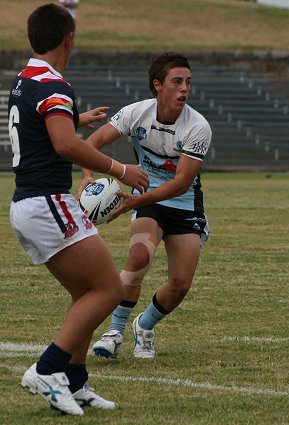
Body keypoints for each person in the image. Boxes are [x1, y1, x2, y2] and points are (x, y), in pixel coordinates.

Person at [8, 3, 148, 416]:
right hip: (48, 202)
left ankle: (74, 379)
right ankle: (48, 370)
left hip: (27, 205)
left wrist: (72, 116)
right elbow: (65, 145)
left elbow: (40, 123)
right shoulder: (55, 83)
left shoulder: (25, 78)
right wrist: (122, 168)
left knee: (84, 293)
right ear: (69, 39)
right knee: (109, 289)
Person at [78, 52, 212, 360]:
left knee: (180, 284)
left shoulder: (198, 127)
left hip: (183, 203)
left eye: (188, 82)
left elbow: (180, 183)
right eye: (177, 81)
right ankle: (114, 332)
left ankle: (145, 325)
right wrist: (87, 176)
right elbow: (90, 145)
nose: (184, 89)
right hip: (147, 199)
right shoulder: (135, 114)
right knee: (139, 256)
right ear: (157, 85)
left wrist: (136, 201)